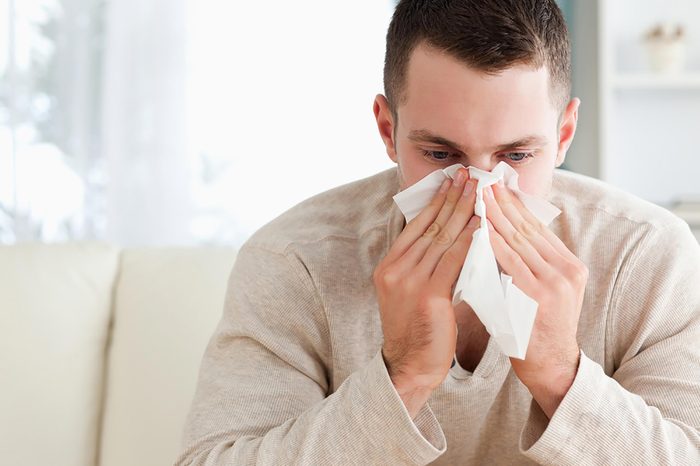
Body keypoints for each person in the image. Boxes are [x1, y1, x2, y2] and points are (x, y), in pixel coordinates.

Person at [174, 1, 700, 464]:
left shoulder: (647, 254)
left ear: (563, 135)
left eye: (516, 155)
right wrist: (402, 376)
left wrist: (561, 374)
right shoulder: (294, 261)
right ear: (388, 130)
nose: (477, 190)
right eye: (441, 154)